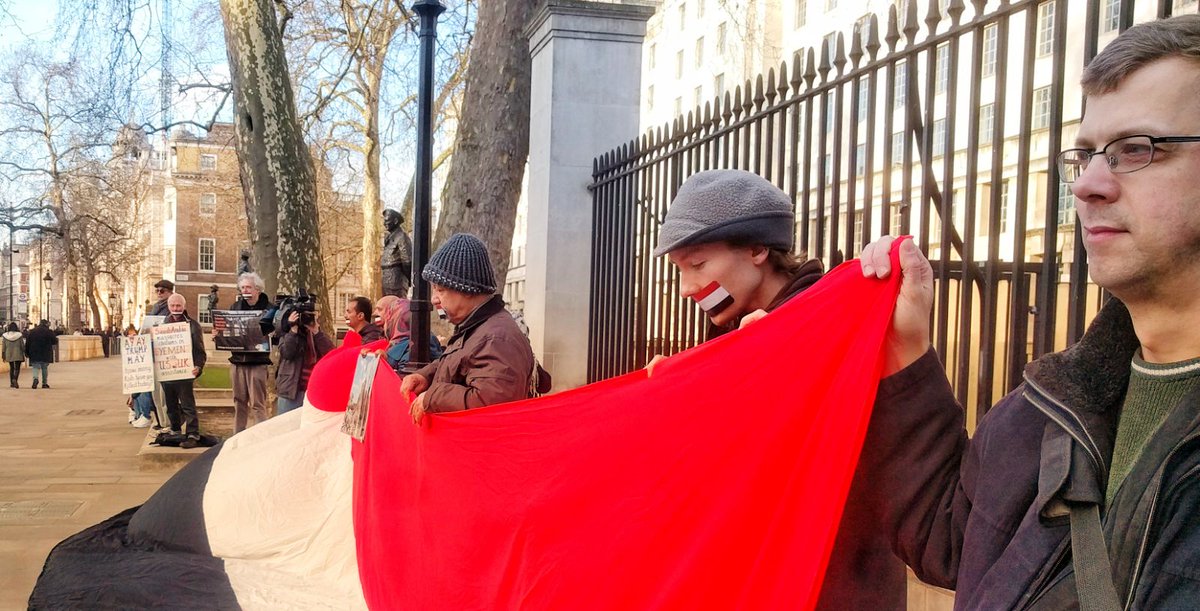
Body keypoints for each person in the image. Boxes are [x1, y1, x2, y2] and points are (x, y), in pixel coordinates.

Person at [858, 16, 1200, 608]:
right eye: (1088, 153)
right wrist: (903, 355)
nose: (1089, 184)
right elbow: (955, 544)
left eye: (1136, 149)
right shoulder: (1052, 401)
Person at [649, 169, 904, 611]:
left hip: (834, 582)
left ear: (757, 250)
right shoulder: (736, 328)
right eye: (680, 271)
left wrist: (779, 364)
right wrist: (680, 390)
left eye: (698, 265)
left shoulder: (826, 325)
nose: (689, 289)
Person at [400, 233, 550, 424]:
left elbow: (491, 403)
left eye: (440, 289)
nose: (434, 299)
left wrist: (432, 397)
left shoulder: (497, 338)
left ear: (467, 289)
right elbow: (461, 360)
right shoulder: (478, 326)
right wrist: (426, 376)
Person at [223, 272, 272, 432]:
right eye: (243, 287)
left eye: (249, 287)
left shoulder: (269, 309)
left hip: (258, 362)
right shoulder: (234, 308)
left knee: (258, 403)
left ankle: (261, 438)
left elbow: (275, 334)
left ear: (257, 289)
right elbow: (230, 333)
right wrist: (220, 335)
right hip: (237, 361)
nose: (245, 291)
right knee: (239, 402)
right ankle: (238, 437)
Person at [160, 294, 206, 447]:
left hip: (185, 372)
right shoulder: (162, 325)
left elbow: (200, 351)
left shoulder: (193, 325)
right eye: (173, 306)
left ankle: (193, 434)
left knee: (187, 404)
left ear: (184, 306)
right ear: (168, 306)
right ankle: (175, 430)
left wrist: (198, 367)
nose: (175, 309)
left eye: (178, 306)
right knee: (170, 404)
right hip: (167, 372)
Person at [275, 305, 333, 415]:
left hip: (312, 391)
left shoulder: (317, 335)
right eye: (303, 316)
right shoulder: (288, 334)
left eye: (310, 316)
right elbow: (287, 353)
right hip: (290, 390)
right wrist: (293, 330)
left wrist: (316, 332)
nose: (306, 319)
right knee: (287, 427)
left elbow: (330, 354)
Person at [374, 295, 443, 370]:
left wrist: (385, 360)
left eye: (380, 309)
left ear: (396, 317)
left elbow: (403, 376)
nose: (375, 314)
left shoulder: (415, 345)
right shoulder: (402, 342)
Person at [381, 209, 413, 297]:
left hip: (396, 278)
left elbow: (407, 261)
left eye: (387, 220)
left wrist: (408, 279)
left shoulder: (402, 237)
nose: (384, 223)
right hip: (386, 276)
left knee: (396, 306)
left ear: (395, 221)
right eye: (384, 221)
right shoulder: (388, 238)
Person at [25, 319, 57, 389]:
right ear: (46, 324)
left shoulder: (32, 331)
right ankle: (44, 383)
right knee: (44, 368)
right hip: (45, 352)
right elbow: (54, 341)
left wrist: (27, 352)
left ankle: (35, 378)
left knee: (35, 366)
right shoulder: (49, 331)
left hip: (34, 351)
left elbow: (28, 343)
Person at [3, 322, 25, 388]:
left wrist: (3, 354)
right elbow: (22, 345)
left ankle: (11, 383)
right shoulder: (19, 335)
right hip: (18, 353)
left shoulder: (5, 335)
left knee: (11, 368)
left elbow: (4, 346)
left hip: (9, 353)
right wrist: (24, 351)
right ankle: (15, 379)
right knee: (17, 368)